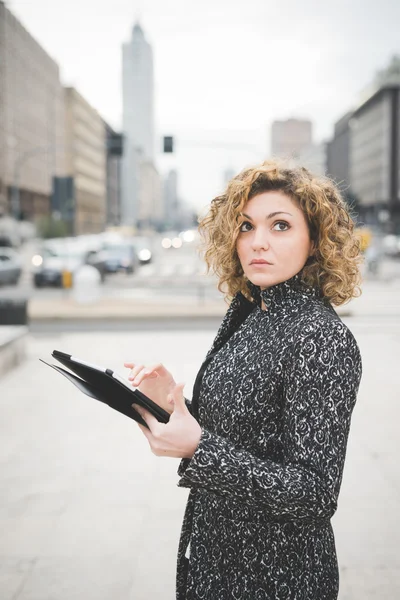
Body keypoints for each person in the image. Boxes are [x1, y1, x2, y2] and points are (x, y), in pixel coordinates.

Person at [124, 160, 363, 600]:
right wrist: (171, 403)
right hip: (218, 562)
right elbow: (239, 429)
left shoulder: (320, 336)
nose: (258, 243)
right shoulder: (253, 310)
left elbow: (314, 495)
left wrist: (199, 448)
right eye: (246, 226)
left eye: (280, 226)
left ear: (315, 240)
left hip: (277, 578)